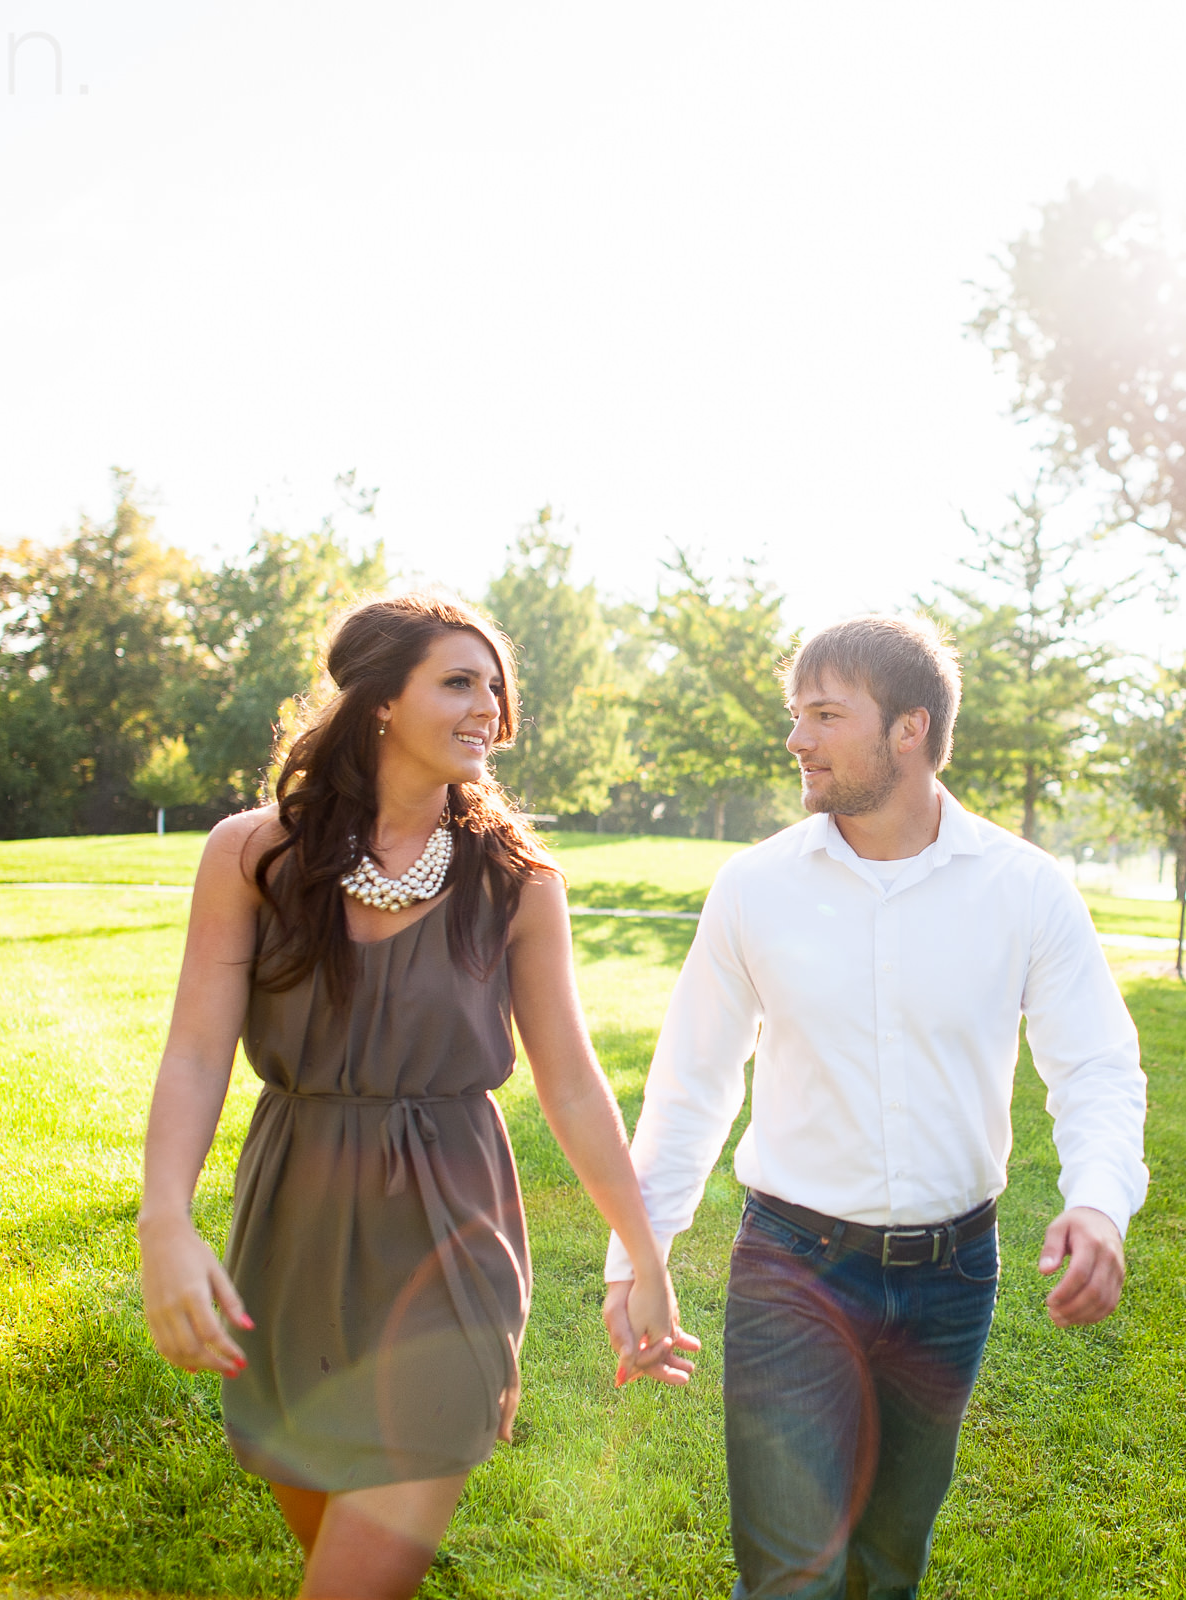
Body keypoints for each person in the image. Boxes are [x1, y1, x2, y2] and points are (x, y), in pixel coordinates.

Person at [138, 593, 697, 1600]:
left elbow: (569, 1083)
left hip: (452, 1235)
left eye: (496, 687)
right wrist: (163, 1221)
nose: (490, 708)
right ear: (380, 701)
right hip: (291, 1233)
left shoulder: (515, 879)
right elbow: (192, 1056)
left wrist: (643, 1255)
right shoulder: (250, 854)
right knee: (333, 1550)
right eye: (458, 681)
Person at [602, 614, 1148, 1599]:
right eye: (794, 714)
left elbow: (1097, 1065)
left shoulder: (1025, 888)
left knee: (886, 1569)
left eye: (822, 714)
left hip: (951, 1281)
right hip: (792, 1271)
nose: (795, 739)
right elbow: (690, 1086)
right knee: (789, 1579)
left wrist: (1099, 1199)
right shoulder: (754, 887)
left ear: (907, 728)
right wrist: (634, 1258)